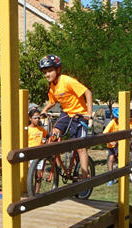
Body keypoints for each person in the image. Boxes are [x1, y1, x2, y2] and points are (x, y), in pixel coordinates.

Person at [39, 55, 93, 196]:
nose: (47, 74)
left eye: (49, 71)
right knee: (52, 136)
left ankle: (84, 177)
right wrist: (44, 110)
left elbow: (87, 92)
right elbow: (53, 101)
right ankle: (58, 170)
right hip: (66, 114)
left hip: (80, 114)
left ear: (58, 69)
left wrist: (89, 113)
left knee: (80, 147)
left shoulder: (67, 81)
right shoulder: (52, 85)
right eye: (44, 72)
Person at [103, 108, 132, 186]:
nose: (120, 120)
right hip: (112, 144)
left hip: (120, 142)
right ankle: (111, 178)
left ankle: (122, 173)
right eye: (118, 118)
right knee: (111, 158)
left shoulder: (124, 123)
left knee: (121, 158)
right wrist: (110, 141)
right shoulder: (112, 123)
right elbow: (105, 133)